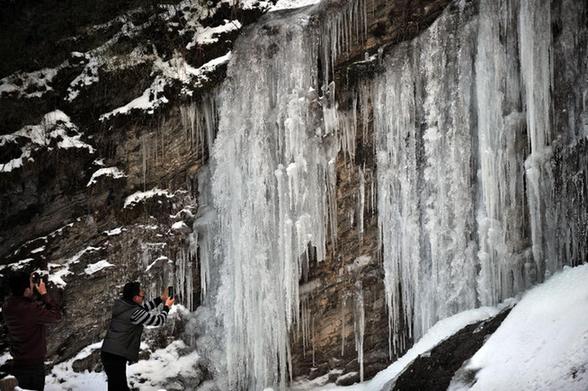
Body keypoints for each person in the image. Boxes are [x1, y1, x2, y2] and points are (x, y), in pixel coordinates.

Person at [101, 282, 174, 391]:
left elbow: (143, 309)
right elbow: (158, 321)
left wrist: (161, 299)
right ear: (135, 298)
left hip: (109, 352)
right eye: (142, 295)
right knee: (119, 388)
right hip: (115, 356)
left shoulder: (122, 304)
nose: (143, 295)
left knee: (115, 386)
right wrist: (167, 306)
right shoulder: (135, 312)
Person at [2, 271, 62, 391]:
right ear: (25, 290)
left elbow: (26, 306)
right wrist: (44, 294)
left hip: (18, 362)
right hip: (34, 366)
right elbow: (56, 316)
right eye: (31, 283)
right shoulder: (30, 309)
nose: (33, 285)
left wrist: (31, 296)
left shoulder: (8, 305)